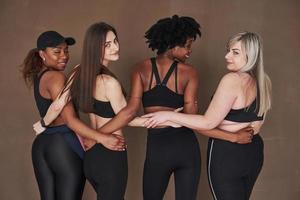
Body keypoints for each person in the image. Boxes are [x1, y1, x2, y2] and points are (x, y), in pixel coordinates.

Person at [142, 31, 272, 200]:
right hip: (254, 153)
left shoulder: (231, 80)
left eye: (235, 52)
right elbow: (255, 125)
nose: (227, 56)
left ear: (251, 55)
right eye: (228, 50)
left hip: (227, 155)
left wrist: (167, 115)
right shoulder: (264, 81)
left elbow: (207, 123)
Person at [21, 30, 125, 200]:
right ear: (42, 54)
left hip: (41, 145)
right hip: (63, 144)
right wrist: (101, 138)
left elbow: (54, 109)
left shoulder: (40, 77)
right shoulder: (56, 77)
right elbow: (70, 120)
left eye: (66, 50)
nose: (64, 56)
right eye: (57, 51)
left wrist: (43, 123)